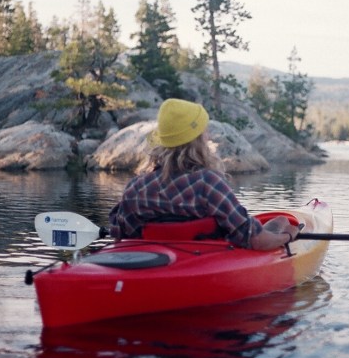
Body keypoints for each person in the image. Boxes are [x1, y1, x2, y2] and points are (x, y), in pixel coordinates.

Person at [108, 98, 300, 250]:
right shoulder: (208, 183)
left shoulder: (136, 187)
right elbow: (254, 240)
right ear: (198, 140)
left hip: (155, 264)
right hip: (203, 263)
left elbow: (122, 235)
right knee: (283, 224)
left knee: (281, 220)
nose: (207, 135)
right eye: (204, 131)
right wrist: (289, 237)